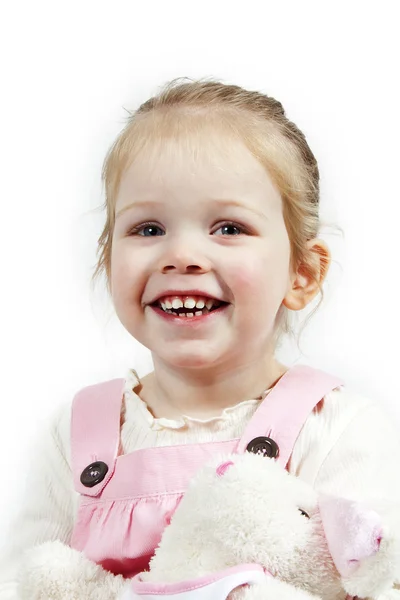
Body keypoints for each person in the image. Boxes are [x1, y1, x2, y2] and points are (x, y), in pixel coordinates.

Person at [1, 79, 400, 599]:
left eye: (228, 228)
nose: (181, 254)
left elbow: (376, 582)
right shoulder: (80, 434)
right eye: (147, 229)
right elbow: (26, 582)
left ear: (301, 273)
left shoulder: (336, 428)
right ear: (107, 259)